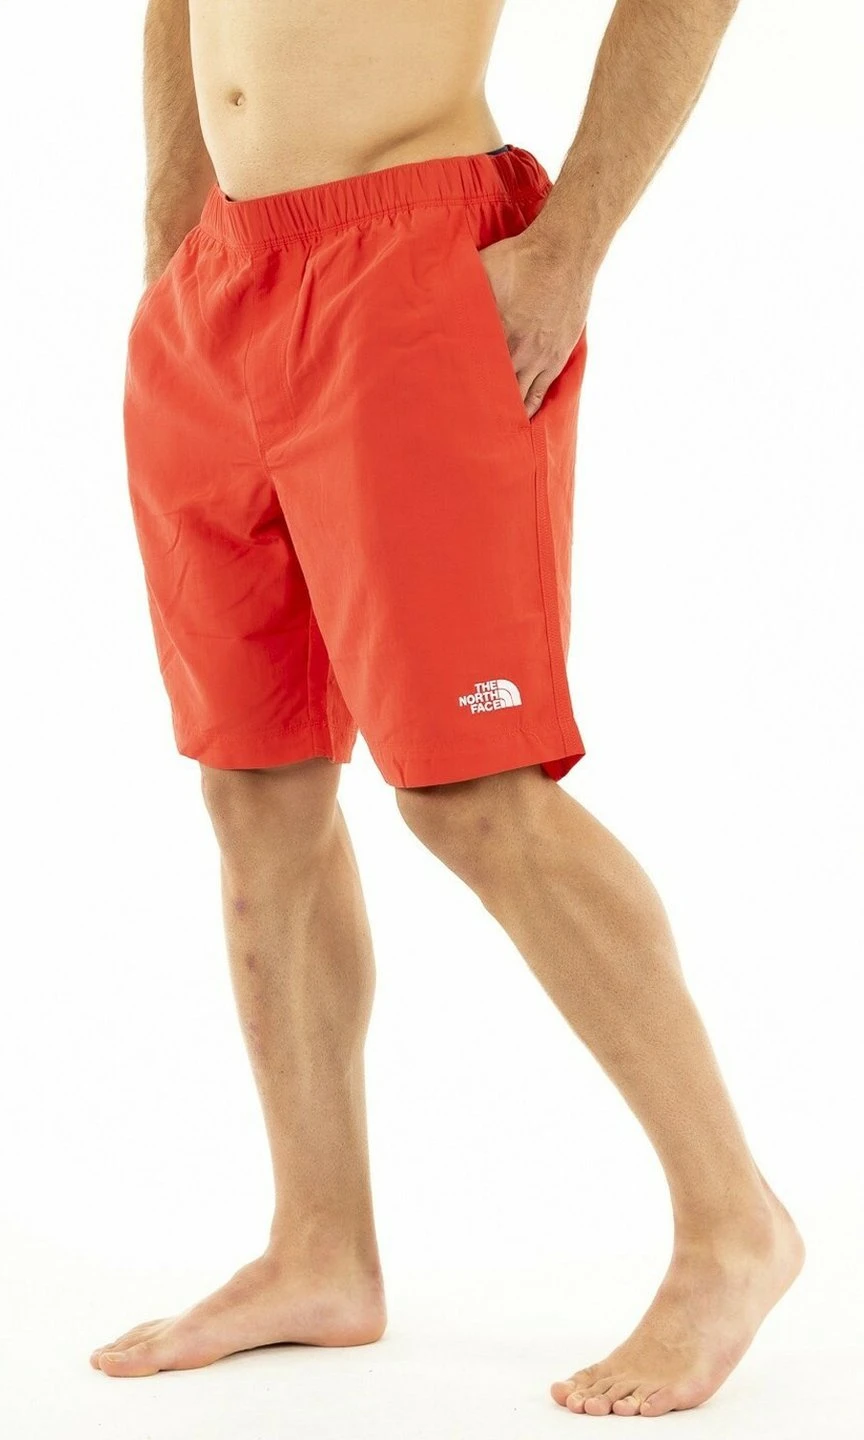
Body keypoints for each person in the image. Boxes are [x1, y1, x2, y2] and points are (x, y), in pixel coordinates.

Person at [92, 0, 804, 1417]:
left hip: (412, 263)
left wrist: (572, 247)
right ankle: (319, 1250)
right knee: (256, 783)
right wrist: (174, 215)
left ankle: (736, 1226)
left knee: (474, 792)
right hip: (219, 280)